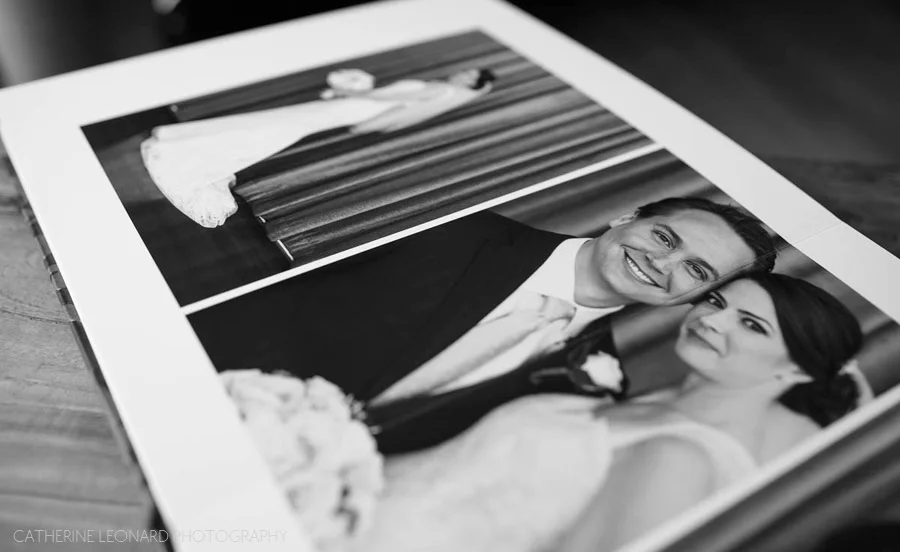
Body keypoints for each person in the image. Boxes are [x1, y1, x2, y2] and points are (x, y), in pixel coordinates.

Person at [190, 196, 776, 453]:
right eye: (665, 237)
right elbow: (266, 301)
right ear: (627, 217)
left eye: (695, 270)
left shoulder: (596, 391)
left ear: (696, 298)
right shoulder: (452, 229)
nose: (663, 264)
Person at [352, 274, 863, 552]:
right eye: (715, 302)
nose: (713, 320)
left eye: (751, 325)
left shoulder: (680, 458)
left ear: (798, 370)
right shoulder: (649, 405)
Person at [140, 68, 495, 228]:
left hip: (359, 105)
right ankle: (203, 150)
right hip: (357, 107)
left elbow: (390, 99)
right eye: (466, 71)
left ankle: (198, 152)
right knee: (283, 125)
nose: (462, 74)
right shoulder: (442, 90)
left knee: (281, 126)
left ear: (473, 86)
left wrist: (350, 92)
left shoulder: (442, 90)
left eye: (469, 76)